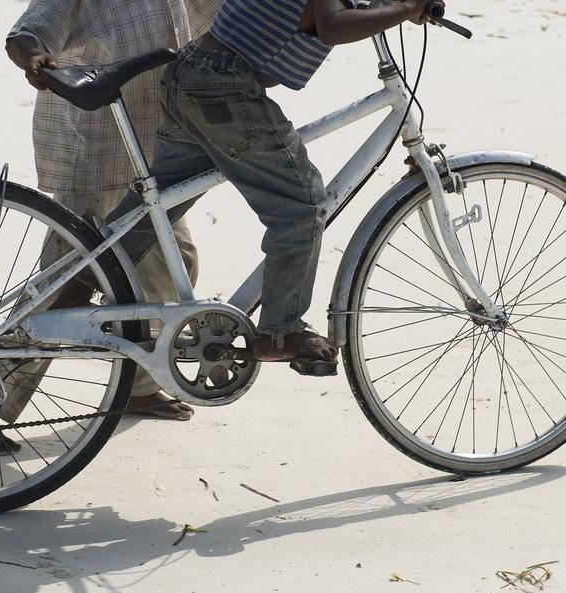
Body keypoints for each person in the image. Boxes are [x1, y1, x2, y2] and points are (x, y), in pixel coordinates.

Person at [104, 0, 438, 366]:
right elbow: (332, 25)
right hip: (224, 84)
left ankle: (73, 284)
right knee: (303, 206)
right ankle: (280, 332)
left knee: (159, 205)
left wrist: (394, 8)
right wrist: (406, 9)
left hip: (193, 69)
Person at [0, 0, 222, 455]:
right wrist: (34, 57)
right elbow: (27, 32)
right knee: (62, 284)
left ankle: (138, 385)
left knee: (172, 266)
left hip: (154, 149)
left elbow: (222, 13)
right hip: (94, 150)